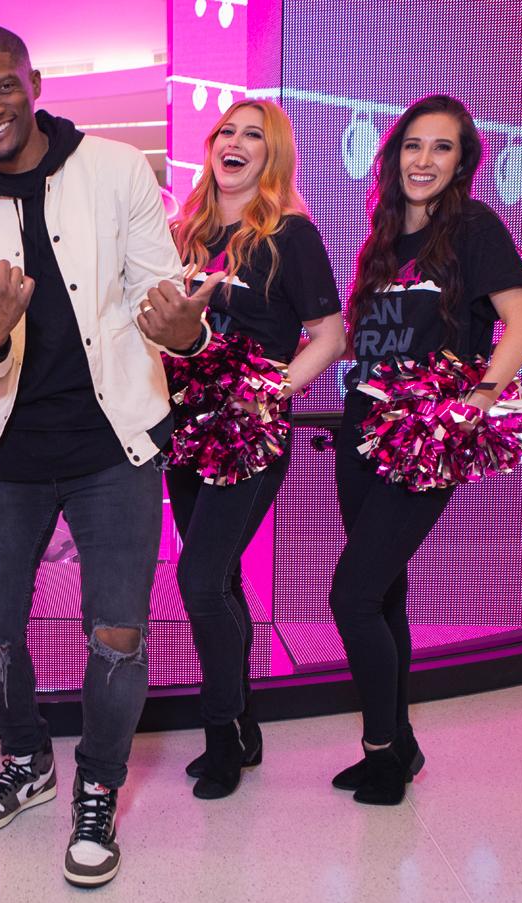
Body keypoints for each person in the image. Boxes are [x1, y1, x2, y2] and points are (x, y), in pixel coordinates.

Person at [0, 25, 212, 889]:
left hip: (111, 444)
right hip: (6, 450)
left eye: (3, 86)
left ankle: (98, 783)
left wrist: (185, 333)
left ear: (35, 83)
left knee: (117, 633)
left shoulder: (117, 169)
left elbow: (165, 302)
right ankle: (26, 760)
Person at [332, 94, 522, 805]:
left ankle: (382, 751)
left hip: (424, 437)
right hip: (360, 428)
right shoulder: (385, 235)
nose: (423, 160)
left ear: (462, 161)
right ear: (393, 156)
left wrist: (476, 400)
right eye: (412, 146)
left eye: (440, 148)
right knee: (383, 594)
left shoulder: (476, 228)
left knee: (352, 596)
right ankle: (401, 744)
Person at [166, 100, 346, 799]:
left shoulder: (290, 236)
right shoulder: (186, 232)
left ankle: (220, 740)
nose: (234, 143)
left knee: (199, 580)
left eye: (252, 136)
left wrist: (271, 391)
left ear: (270, 156)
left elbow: (329, 335)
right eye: (225, 133)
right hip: (184, 428)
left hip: (249, 433)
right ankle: (244, 724)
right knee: (224, 580)